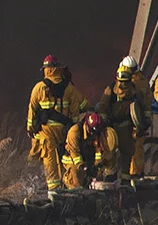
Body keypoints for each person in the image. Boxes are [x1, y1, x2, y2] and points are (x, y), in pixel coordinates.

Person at [27, 54, 88, 195]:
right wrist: (73, 124)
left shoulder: (39, 88)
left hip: (45, 131)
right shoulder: (68, 87)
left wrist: (30, 129)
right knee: (64, 158)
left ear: (46, 70)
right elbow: (81, 104)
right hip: (63, 131)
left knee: (50, 159)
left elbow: (32, 110)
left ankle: (53, 191)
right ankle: (69, 185)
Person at [95, 57, 149, 182]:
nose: (123, 85)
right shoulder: (124, 89)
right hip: (117, 126)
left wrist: (144, 122)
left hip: (122, 126)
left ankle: (119, 179)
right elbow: (103, 107)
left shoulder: (129, 90)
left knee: (123, 152)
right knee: (115, 153)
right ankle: (113, 177)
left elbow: (144, 107)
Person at [63, 112, 119, 188]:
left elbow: (98, 150)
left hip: (88, 160)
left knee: (107, 162)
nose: (93, 134)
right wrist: (84, 168)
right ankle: (70, 185)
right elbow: (74, 152)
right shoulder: (74, 131)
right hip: (72, 160)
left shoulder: (97, 132)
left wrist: (98, 167)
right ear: (87, 125)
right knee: (76, 178)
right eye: (91, 131)